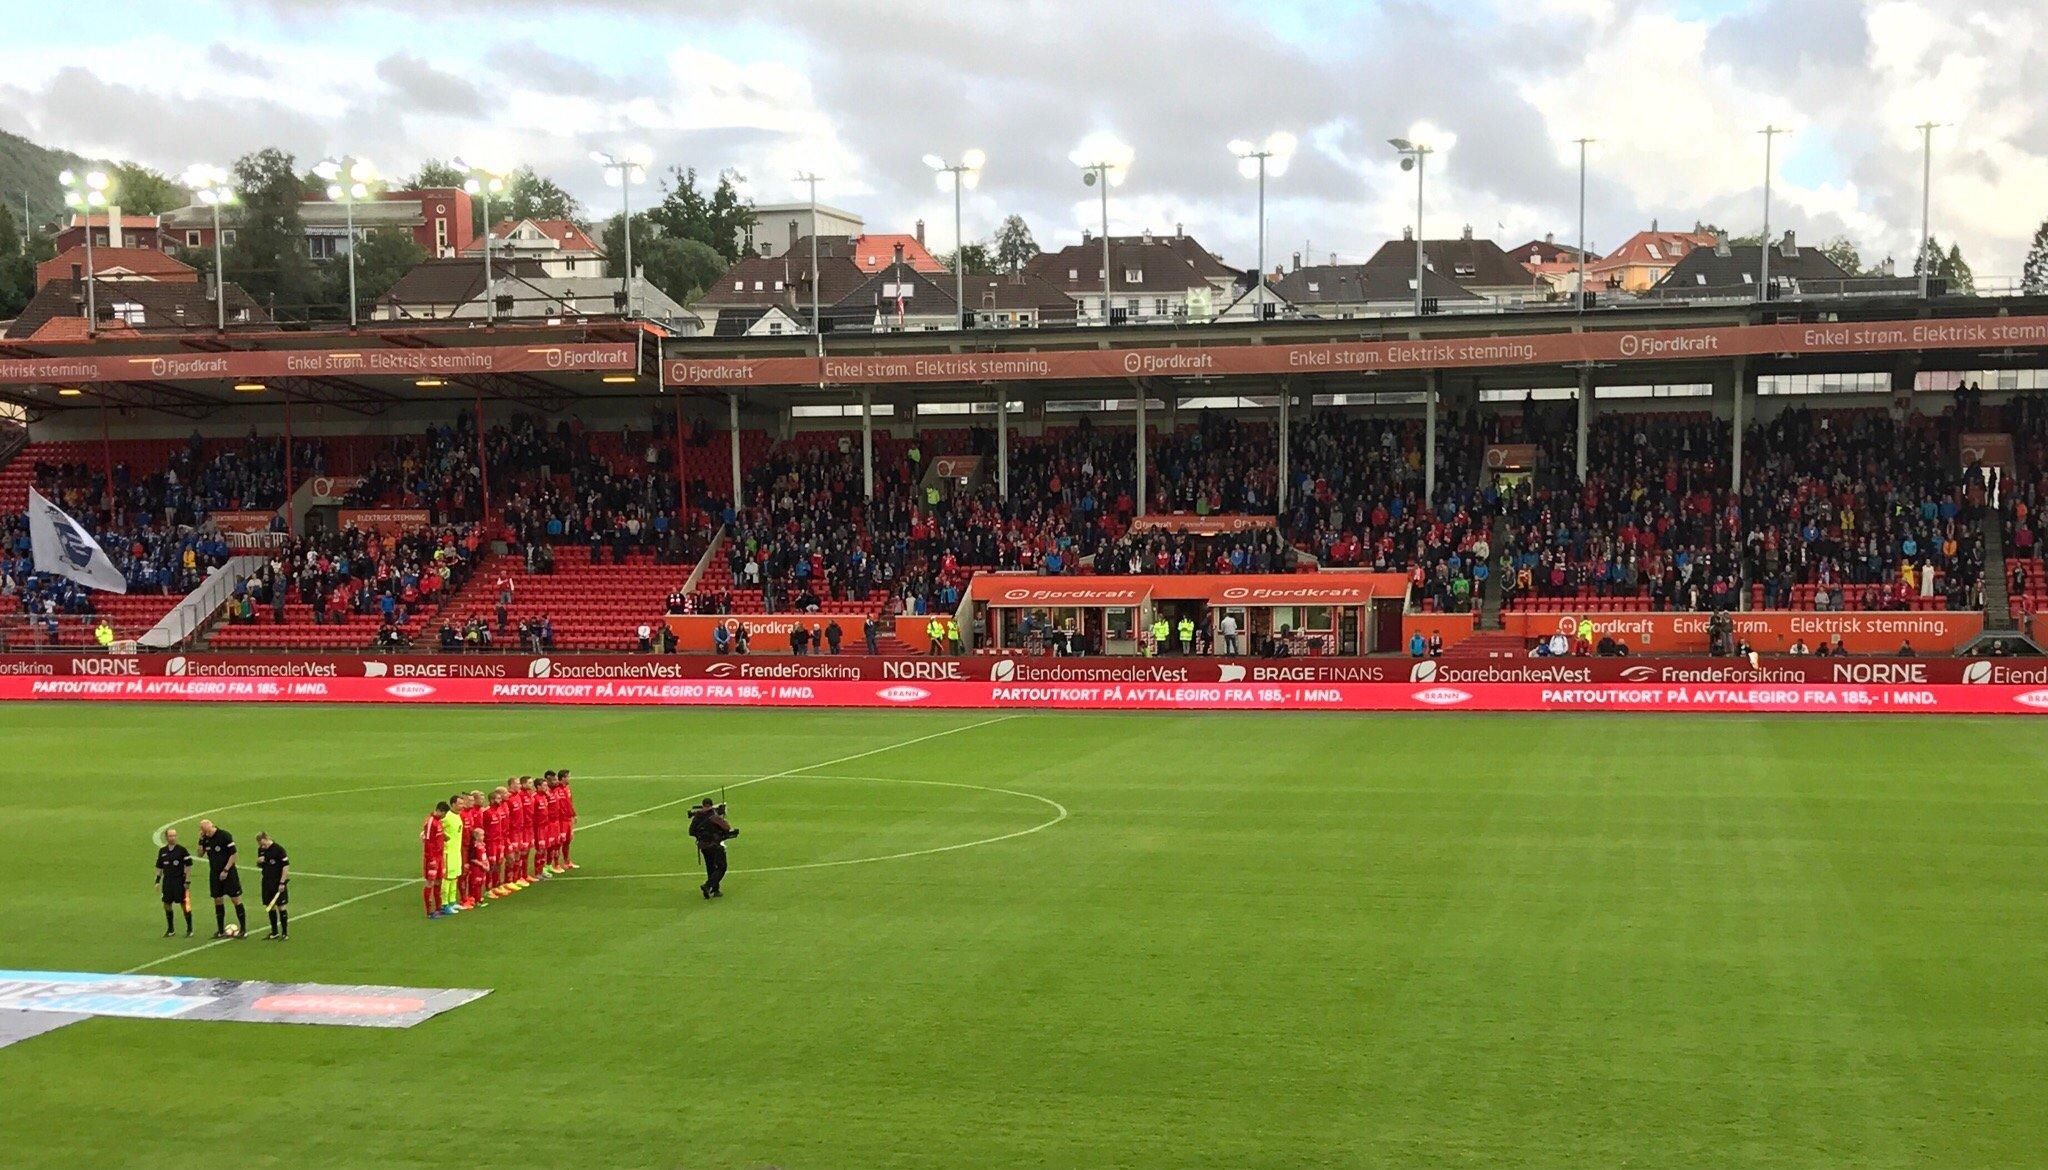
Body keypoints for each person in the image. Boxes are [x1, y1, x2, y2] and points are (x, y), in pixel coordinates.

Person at [196, 820, 246, 938]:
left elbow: (233, 854)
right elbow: (199, 854)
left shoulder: (224, 836)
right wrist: (200, 840)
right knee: (217, 899)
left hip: (229, 873)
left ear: (210, 827)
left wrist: (226, 870)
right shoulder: (205, 839)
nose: (203, 832)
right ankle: (220, 931)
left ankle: (243, 930)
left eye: (203, 830)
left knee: (235, 899)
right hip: (214, 873)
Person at [689, 798, 738, 899]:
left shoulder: (697, 817)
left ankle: (714, 890)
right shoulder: (714, 816)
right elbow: (726, 828)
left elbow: (691, 831)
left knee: (710, 867)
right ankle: (708, 886)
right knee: (722, 867)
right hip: (714, 845)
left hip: (703, 846)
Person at [155, 828, 194, 937]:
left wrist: (187, 880)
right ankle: (171, 929)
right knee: (166, 904)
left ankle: (190, 929)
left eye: (174, 835)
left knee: (184, 904)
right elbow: (159, 867)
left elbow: (188, 865)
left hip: (179, 880)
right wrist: (157, 881)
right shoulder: (162, 851)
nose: (173, 838)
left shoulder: (182, 850)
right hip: (167, 881)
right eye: (171, 836)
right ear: (166, 837)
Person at [255, 831, 290, 941]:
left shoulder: (278, 849)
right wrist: (258, 862)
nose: (262, 846)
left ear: (266, 838)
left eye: (263, 844)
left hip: (277, 882)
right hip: (266, 881)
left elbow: (285, 866)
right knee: (270, 906)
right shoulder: (261, 850)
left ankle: (284, 933)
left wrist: (282, 882)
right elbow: (261, 865)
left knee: (281, 907)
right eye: (261, 845)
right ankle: (274, 932)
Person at [422, 801, 451, 919]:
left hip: (440, 856)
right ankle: (429, 911)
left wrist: (444, 837)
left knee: (439, 880)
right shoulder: (430, 822)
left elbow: (437, 836)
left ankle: (438, 908)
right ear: (440, 811)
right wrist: (431, 859)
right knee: (430, 882)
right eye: (444, 814)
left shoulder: (438, 822)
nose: (444, 816)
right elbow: (428, 841)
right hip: (432, 858)